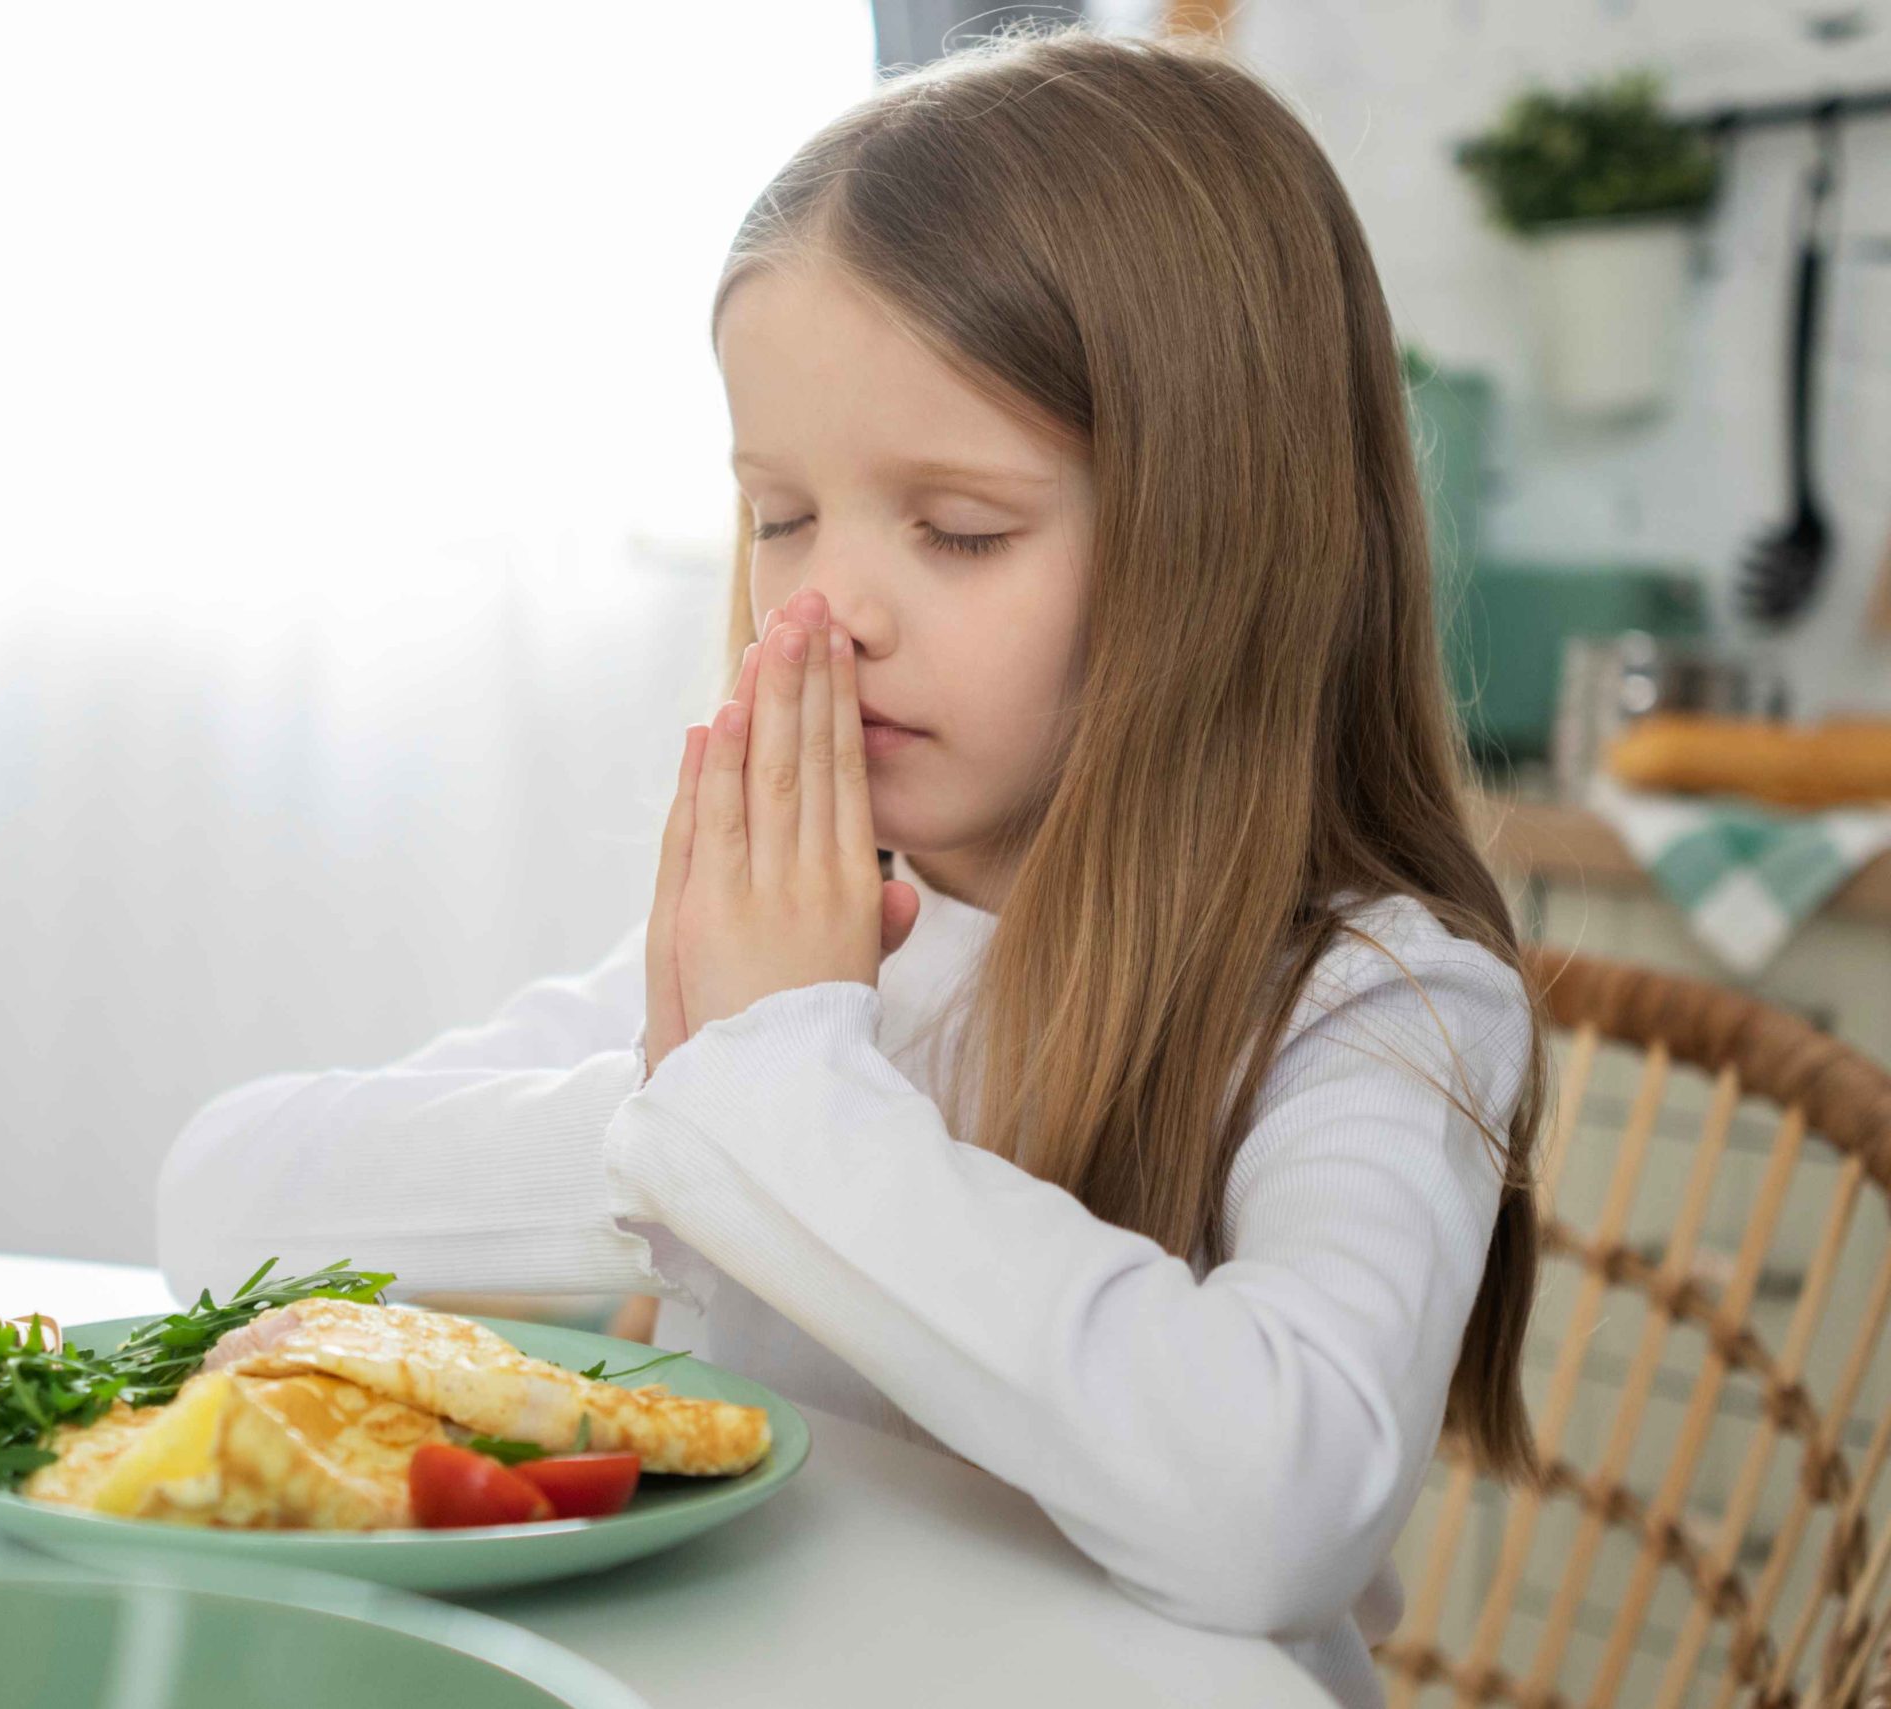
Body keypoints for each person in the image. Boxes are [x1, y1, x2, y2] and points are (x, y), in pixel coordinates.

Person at [157, 24, 1546, 1709]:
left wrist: (772, 1099)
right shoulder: (806, 947)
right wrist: (700, 1109)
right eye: (780, 513)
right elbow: (226, 1205)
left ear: (1226, 545)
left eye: (960, 528)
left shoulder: (1378, 997)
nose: (827, 610)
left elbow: (1273, 1505)